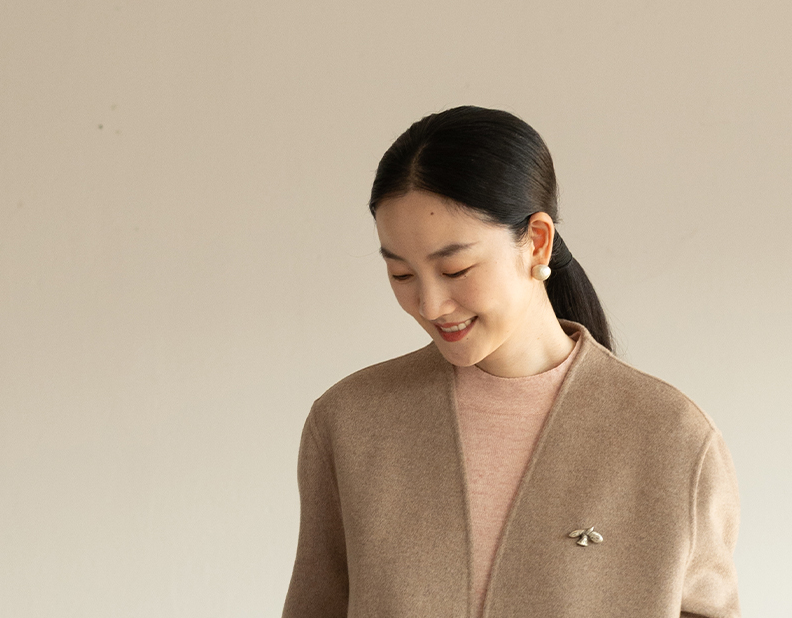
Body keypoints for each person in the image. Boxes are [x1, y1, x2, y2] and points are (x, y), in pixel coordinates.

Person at [281, 106, 741, 618]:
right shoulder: (351, 421)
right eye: (402, 275)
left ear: (537, 242)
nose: (429, 305)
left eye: (455, 269)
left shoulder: (670, 437)